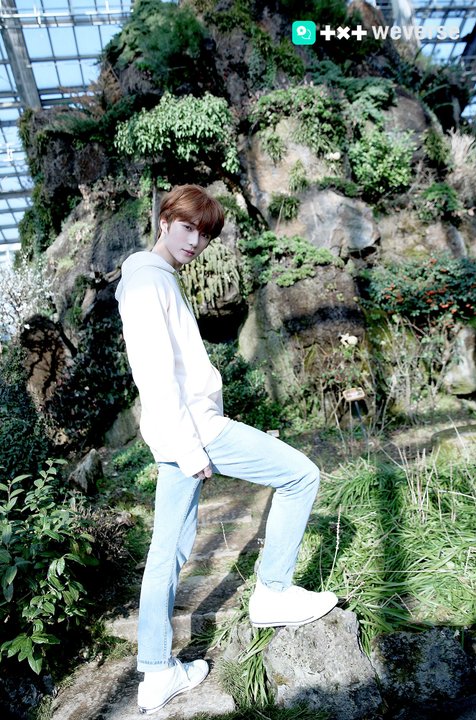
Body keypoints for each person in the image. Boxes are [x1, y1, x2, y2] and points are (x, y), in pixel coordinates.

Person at [115, 184, 337, 715]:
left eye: (205, 234)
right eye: (187, 228)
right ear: (164, 221)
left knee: (166, 552)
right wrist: (191, 448)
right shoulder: (148, 280)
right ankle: (273, 592)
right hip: (195, 430)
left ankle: (156, 672)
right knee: (301, 475)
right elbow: (156, 377)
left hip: (180, 432)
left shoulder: (154, 276)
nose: (195, 241)